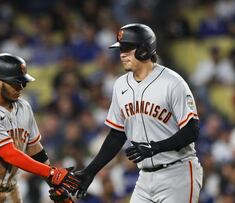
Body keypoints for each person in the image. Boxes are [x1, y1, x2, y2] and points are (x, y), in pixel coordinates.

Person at [73, 23, 203, 202]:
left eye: (127, 48)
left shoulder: (172, 82)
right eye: (120, 49)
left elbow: (192, 130)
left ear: (144, 49)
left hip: (177, 172)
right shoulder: (120, 85)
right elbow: (117, 134)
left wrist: (157, 147)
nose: (122, 54)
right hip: (145, 177)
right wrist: (90, 171)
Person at [0, 53, 80, 203]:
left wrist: (54, 184)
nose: (21, 87)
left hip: (10, 192)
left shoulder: (24, 107)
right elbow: (9, 154)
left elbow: (35, 150)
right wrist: (51, 173)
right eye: (16, 82)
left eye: (23, 82)